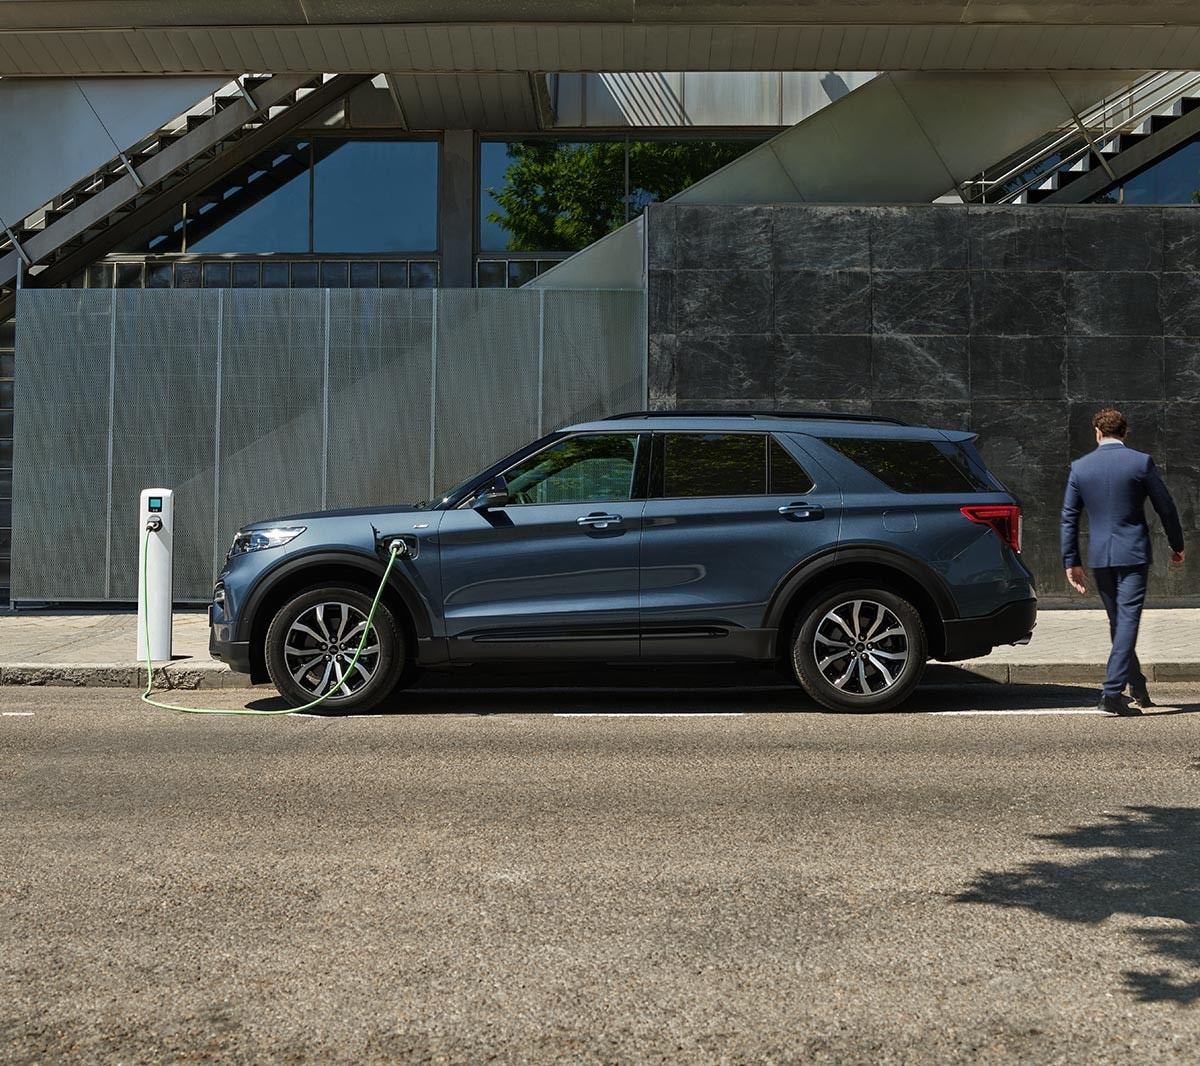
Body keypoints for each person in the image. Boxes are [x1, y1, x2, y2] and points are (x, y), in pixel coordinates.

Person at [1061, 408, 1185, 716]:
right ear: (1125, 433)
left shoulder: (1080, 467)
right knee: (1127, 620)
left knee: (1119, 622)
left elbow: (1069, 518)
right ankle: (1112, 693)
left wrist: (1070, 561)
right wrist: (1177, 544)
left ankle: (1137, 685)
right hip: (1133, 553)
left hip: (1101, 556)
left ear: (1098, 433)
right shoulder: (1140, 462)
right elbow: (1166, 507)